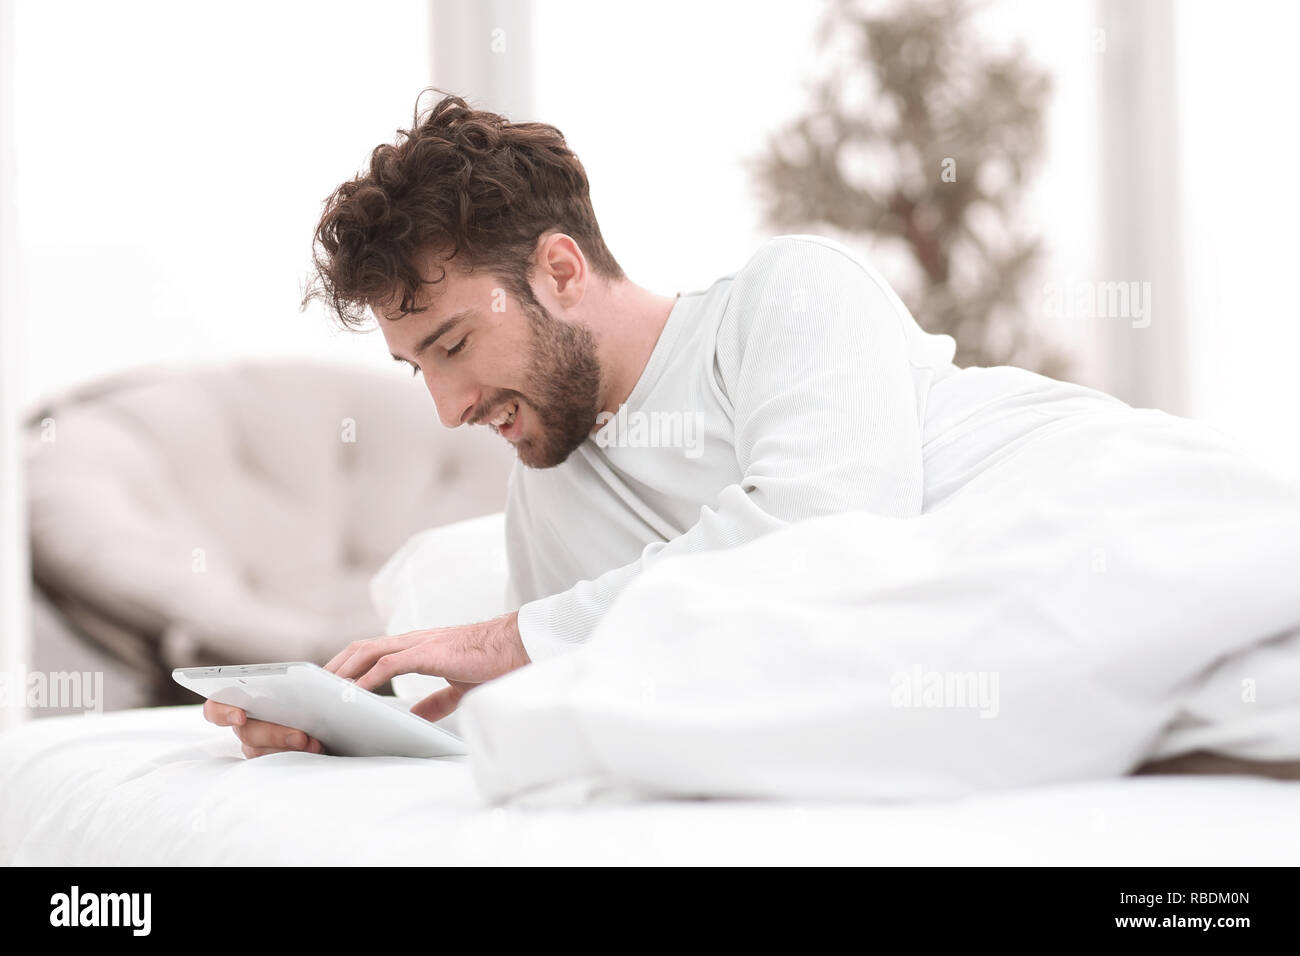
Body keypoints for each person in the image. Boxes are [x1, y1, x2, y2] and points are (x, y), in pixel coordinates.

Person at [202, 91, 1298, 780]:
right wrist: (350, 730)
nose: (446, 409)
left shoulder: (787, 291)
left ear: (559, 270)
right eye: (414, 368)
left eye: (449, 344)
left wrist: (505, 634)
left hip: (1065, 494)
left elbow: (829, 532)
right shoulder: (550, 484)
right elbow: (592, 679)